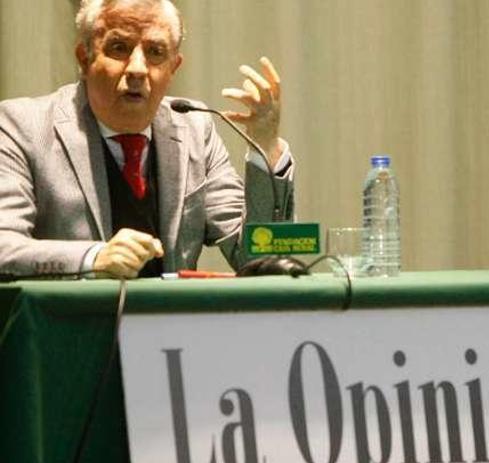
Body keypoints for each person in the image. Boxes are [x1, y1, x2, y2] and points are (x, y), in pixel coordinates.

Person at [0, 0, 295, 279]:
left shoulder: (194, 128)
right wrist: (93, 258)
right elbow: (4, 246)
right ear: (84, 58)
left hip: (172, 329)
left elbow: (257, 259)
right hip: (68, 329)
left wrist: (264, 146)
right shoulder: (22, 127)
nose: (138, 68)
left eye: (155, 52)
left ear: (173, 68)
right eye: (119, 48)